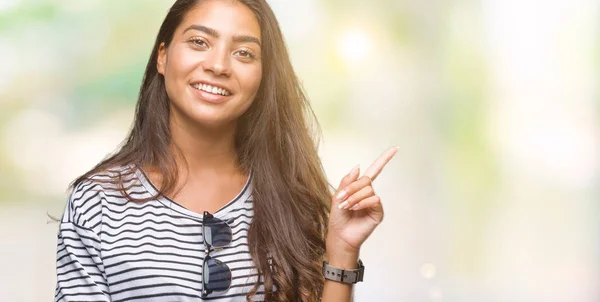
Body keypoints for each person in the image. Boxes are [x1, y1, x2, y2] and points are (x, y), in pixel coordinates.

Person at [54, 0, 398, 301]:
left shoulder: (292, 202)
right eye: (199, 42)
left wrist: (342, 250)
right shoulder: (98, 201)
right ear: (162, 57)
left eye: (244, 53)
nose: (218, 65)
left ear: (263, 77)